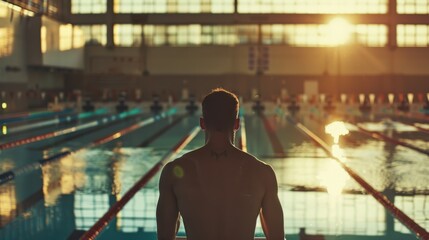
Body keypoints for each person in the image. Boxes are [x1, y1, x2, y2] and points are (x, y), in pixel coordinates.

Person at [156, 88, 285, 240]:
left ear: (202, 123)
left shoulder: (173, 172)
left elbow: (164, 237)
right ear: (237, 124)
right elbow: (277, 238)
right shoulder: (263, 173)